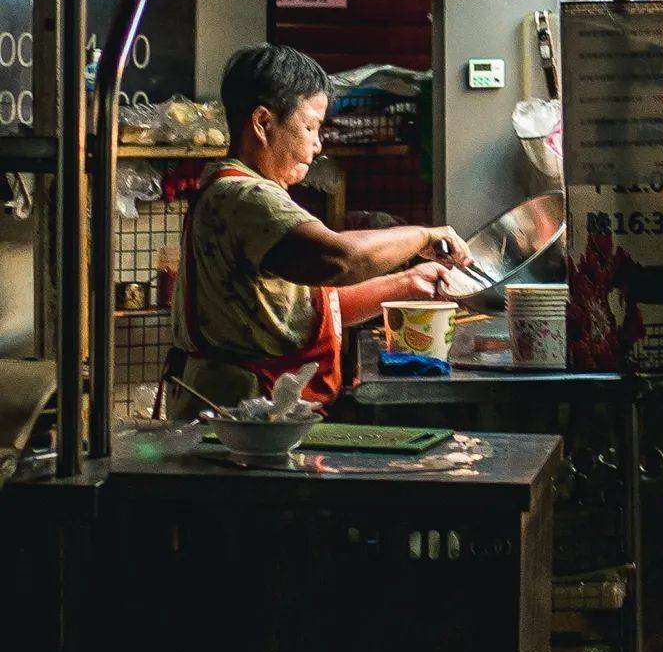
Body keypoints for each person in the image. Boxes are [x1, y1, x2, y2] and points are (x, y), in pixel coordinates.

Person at [164, 44, 471, 418]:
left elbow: (310, 307)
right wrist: (422, 236)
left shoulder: (251, 193)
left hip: (263, 417)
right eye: (309, 126)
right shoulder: (243, 195)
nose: (318, 142)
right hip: (240, 422)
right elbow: (339, 258)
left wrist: (407, 284)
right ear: (262, 124)